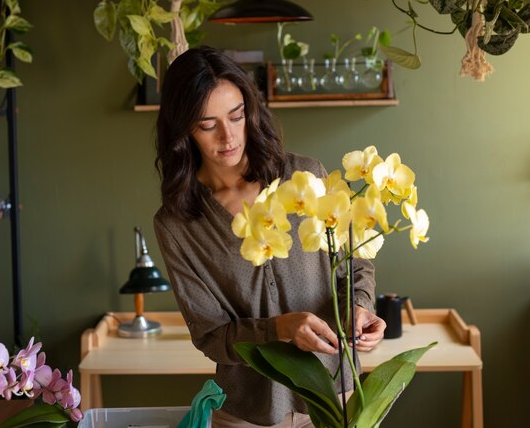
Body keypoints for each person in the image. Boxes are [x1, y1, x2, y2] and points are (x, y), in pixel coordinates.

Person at [153, 46, 385, 427]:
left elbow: (355, 263)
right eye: (207, 124)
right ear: (183, 129)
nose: (228, 136)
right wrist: (279, 330)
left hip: (337, 401)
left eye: (236, 116)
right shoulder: (178, 224)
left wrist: (360, 308)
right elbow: (211, 335)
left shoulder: (305, 178)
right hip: (249, 414)